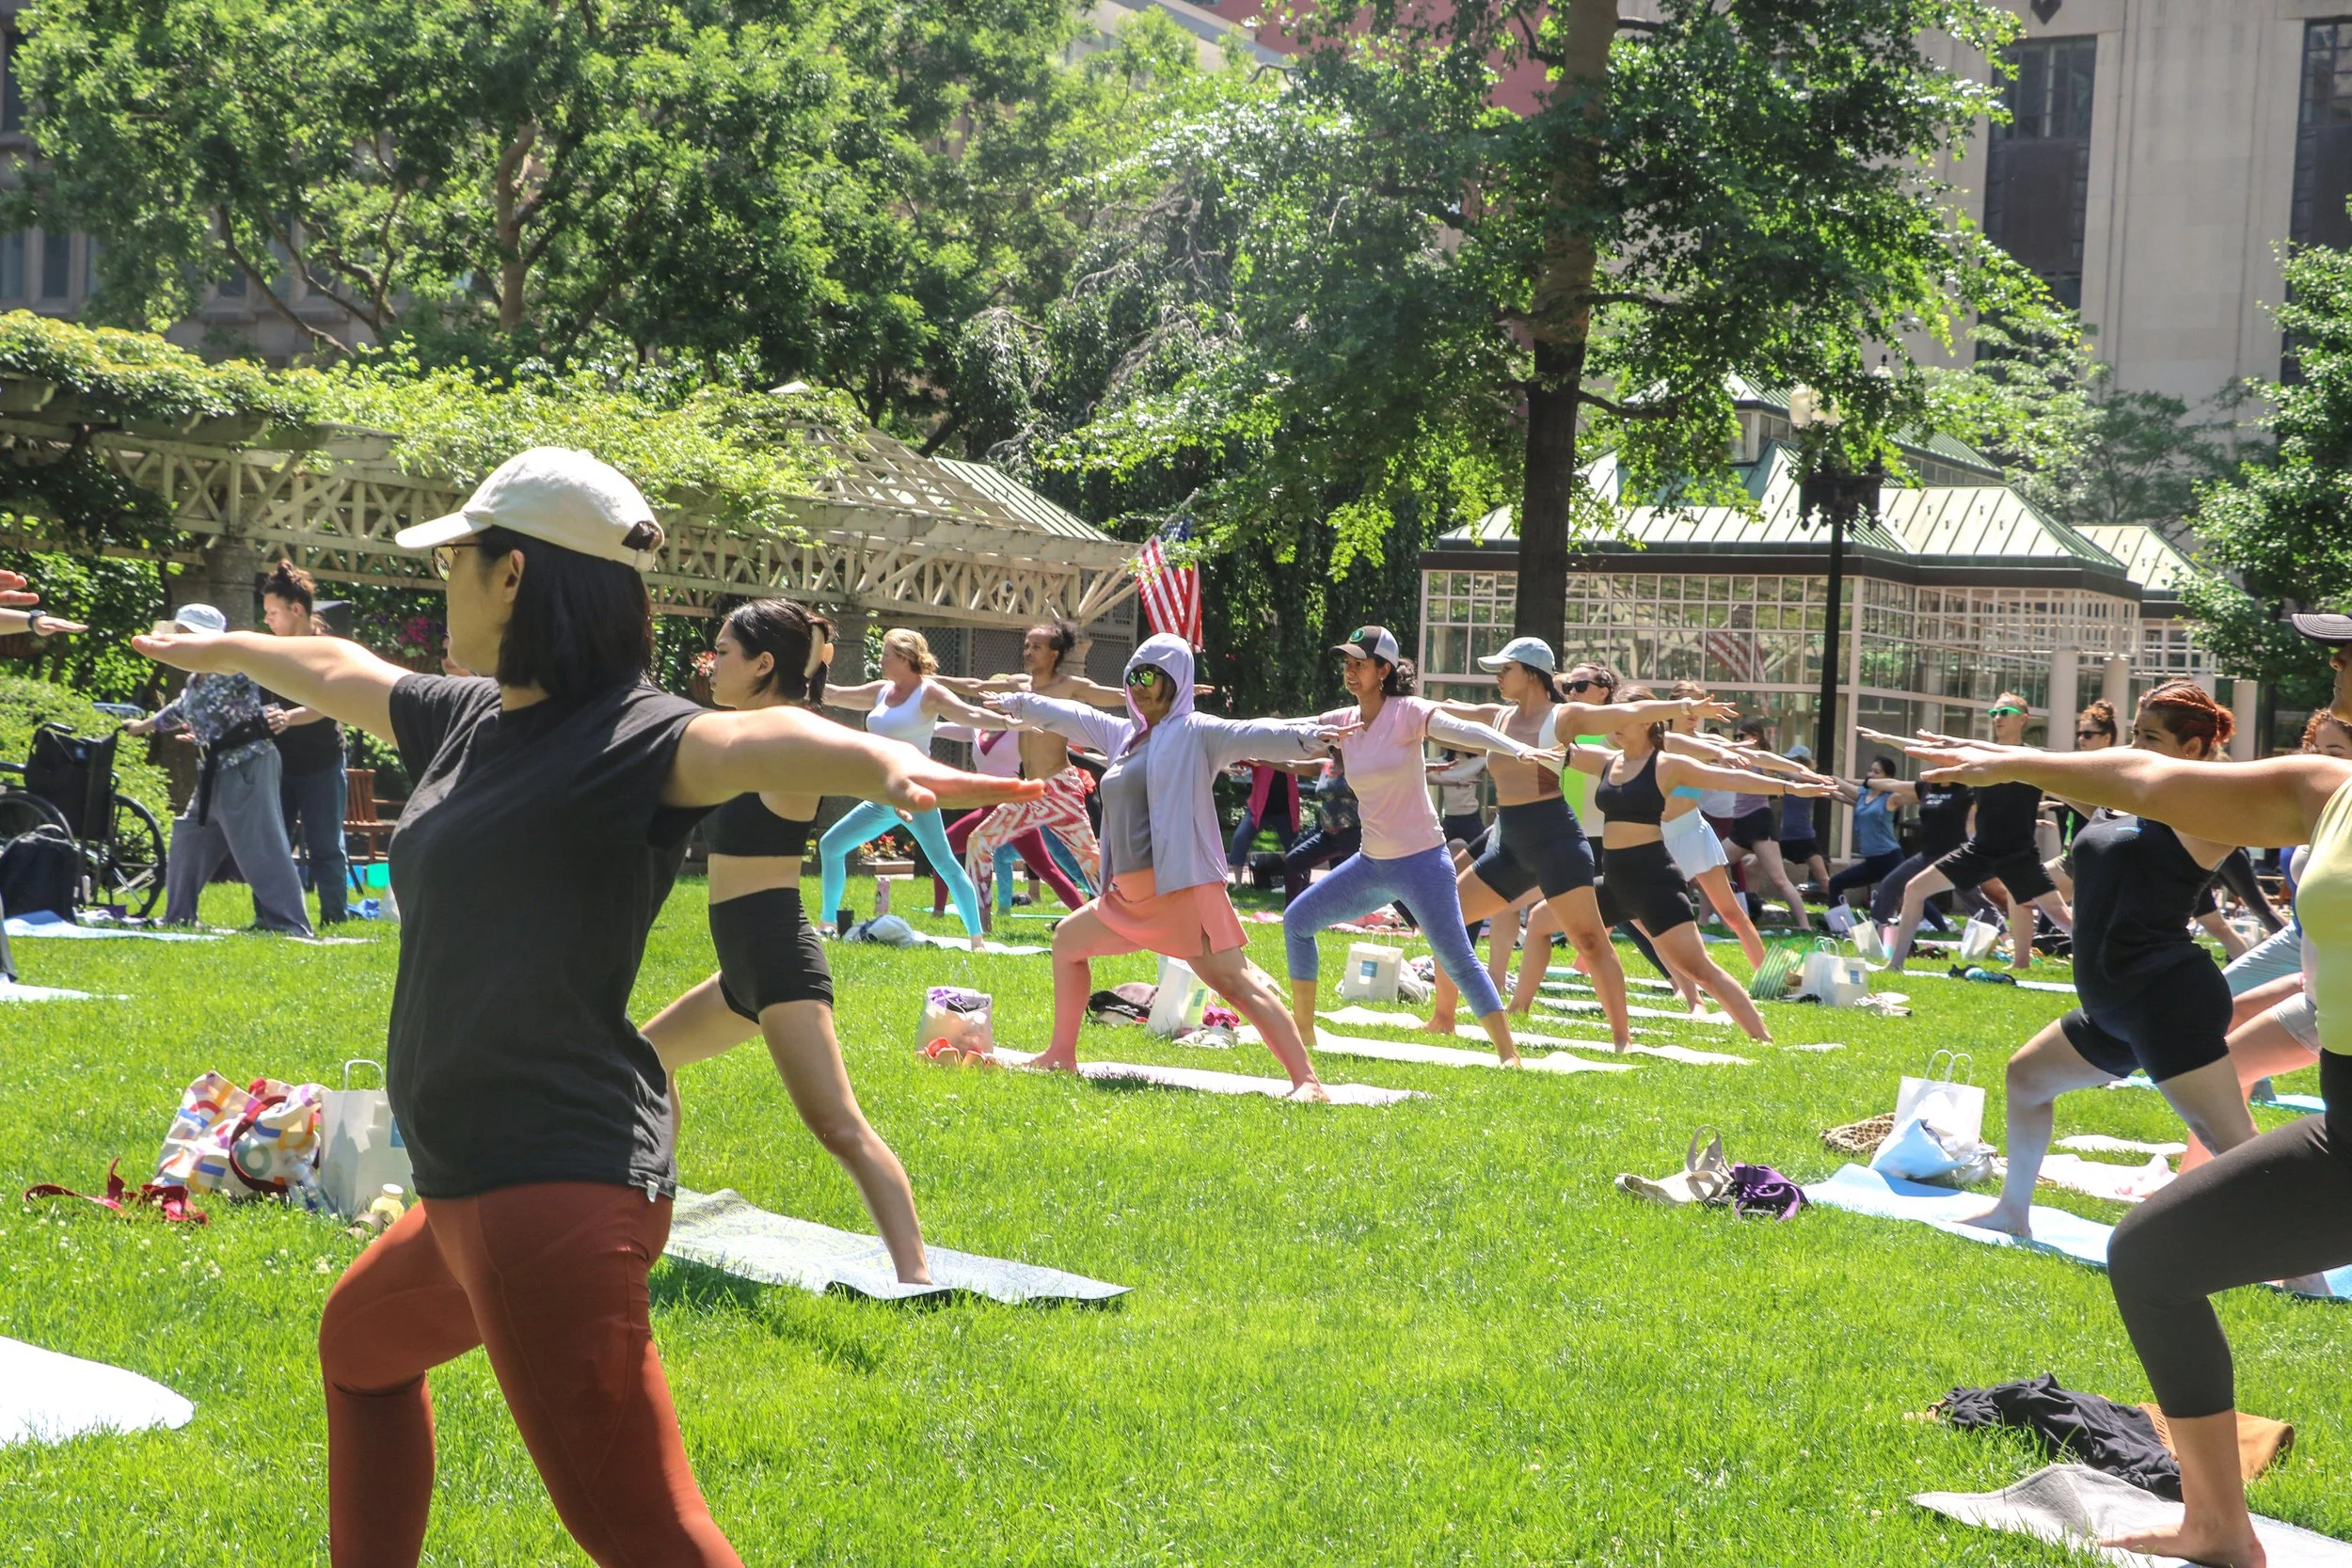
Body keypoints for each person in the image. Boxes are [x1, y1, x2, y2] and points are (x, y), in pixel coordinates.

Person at [130, 448, 1037, 1568]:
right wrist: (217, 646)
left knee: (649, 1536)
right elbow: (337, 664)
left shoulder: (636, 736)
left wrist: (878, 766)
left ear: (515, 576)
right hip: (475, 1180)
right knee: (360, 1349)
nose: (441, 581)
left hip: (546, 1186)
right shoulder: (470, 719)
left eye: (455, 558)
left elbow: (753, 739)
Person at [1899, 698, 2352, 1568]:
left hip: (2164, 997)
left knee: (2185, 1199)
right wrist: (2013, 766)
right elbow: (2148, 777)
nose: (2336, 674)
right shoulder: (2329, 790)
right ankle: (2218, 1525)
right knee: (2150, 1253)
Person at [641, 598, 929, 1284]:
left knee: (838, 1125)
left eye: (725, 652)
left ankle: (917, 1275)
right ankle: (652, 1207)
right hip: (740, 966)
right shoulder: (732, 734)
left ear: (764, 664)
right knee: (645, 1061)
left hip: (777, 961)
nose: (711, 663)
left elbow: (856, 756)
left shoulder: (790, 736)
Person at [1931, 685, 2260, 1242]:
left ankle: (2307, 1275)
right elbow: (2046, 772)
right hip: (2114, 1003)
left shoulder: (2209, 813)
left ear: (2197, 748)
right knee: (2027, 1078)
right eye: (2133, 734)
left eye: (2150, 738)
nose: (2132, 748)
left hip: (2164, 998)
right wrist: (1983, 757)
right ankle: (2012, 1212)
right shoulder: (2120, 799)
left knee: (2230, 1141)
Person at [985, 634, 1351, 1096]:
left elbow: (1259, 732)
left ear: (1174, 681)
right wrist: (1019, 703)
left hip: (1182, 892)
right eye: (1132, 676)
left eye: (1149, 676)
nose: (1137, 686)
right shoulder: (1125, 737)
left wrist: (1311, 736)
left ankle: (1308, 1082)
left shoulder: (1198, 732)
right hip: (1129, 898)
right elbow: (1073, 715)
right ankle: (1061, 1055)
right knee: (1068, 943)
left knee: (1235, 984)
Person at [1424, 641, 1732, 1045]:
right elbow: (1435, 710)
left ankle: (1622, 1038)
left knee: (1590, 940)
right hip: (1512, 845)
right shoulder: (1496, 717)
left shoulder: (1563, 717)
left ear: (1532, 674)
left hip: (1557, 844)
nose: (1497, 676)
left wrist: (1684, 709)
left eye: (1506, 668)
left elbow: (1629, 711)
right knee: (1447, 919)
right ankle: (1443, 1018)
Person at [1281, 626, 1559, 1064]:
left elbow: (1465, 731)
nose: (1350, 672)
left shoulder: (1408, 711)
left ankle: (1509, 1054)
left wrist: (1515, 749)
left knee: (1457, 957)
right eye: (1346, 664)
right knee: (1297, 922)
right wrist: (1211, 733)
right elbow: (1281, 730)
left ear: (1384, 669)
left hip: (1423, 863)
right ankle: (1304, 1035)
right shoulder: (1342, 721)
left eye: (1360, 664)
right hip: (1371, 864)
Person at [1568, 687, 1836, 1042]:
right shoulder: (1610, 758)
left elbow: (1734, 774)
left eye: (1625, 717)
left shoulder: (1673, 758)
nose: (1616, 723)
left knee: (1710, 945)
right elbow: (1552, 749)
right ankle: (1635, 1027)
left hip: (1667, 859)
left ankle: (1762, 1016)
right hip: (1626, 868)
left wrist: (1793, 783)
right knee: (1552, 920)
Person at [816, 627, 1015, 947]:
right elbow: (836, 695)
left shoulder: (928, 693)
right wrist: (806, 674)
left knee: (946, 864)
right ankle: (827, 923)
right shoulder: (882, 690)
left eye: (886, 654)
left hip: (916, 793)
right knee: (831, 845)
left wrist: (1009, 720)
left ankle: (977, 940)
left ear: (907, 658)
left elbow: (969, 714)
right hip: (883, 796)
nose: (880, 659)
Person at [127, 604, 314, 936]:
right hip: (214, 771)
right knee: (188, 837)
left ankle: (290, 924)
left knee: (262, 847)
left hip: (247, 765)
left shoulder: (234, 666)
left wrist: (284, 712)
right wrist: (144, 726)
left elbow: (275, 675)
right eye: (180, 633)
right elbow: (181, 707)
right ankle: (178, 916)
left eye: (187, 635)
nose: (181, 641)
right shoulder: (196, 676)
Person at [947, 618, 1134, 903]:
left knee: (1091, 862)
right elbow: (974, 685)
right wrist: (922, 680)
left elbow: (1121, 696)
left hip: (1060, 788)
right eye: (1026, 645)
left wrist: (1174, 694)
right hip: (1030, 790)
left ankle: (1126, 915)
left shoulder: (1069, 686)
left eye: (1036, 646)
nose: (1028, 651)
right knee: (979, 842)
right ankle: (979, 930)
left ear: (1054, 653)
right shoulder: (1019, 685)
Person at [1883, 693, 2074, 972]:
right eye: (1993, 714)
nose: (1997, 718)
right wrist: (1885, 738)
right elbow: (1932, 750)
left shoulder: (2034, 759)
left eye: (2004, 712)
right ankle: (1895, 965)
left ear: (2023, 719)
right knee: (1914, 889)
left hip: (2018, 855)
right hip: (1980, 850)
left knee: (2060, 916)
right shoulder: (1981, 756)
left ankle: (2106, 967)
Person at [260, 562, 351, 924]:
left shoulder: (327, 650)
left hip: (322, 763)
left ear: (296, 610)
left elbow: (328, 705)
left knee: (327, 847)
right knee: (272, 845)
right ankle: (272, 918)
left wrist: (289, 717)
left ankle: (334, 919)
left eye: (272, 613)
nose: (266, 620)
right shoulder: (268, 650)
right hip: (278, 764)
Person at [1660, 681, 1769, 970]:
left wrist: (1796, 773)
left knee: (1731, 913)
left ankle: (1766, 973)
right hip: (1655, 836)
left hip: (1692, 831)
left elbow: (1754, 756)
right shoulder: (1656, 738)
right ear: (1673, 704)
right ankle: (1582, 968)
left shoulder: (1708, 742)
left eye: (1700, 704)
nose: (1696, 711)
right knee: (1621, 904)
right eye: (1690, 703)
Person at [933, 723, 1091, 920]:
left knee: (1046, 869)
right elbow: (936, 726)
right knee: (940, 851)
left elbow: (1067, 737)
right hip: (986, 811)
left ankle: (1085, 916)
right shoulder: (976, 727)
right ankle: (938, 913)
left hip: (1014, 811)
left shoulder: (1022, 727)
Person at [1721, 717, 1814, 929]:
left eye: (1741, 736)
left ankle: (1805, 926)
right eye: (1735, 737)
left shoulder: (1762, 760)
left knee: (1779, 880)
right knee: (1711, 868)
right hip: (1740, 825)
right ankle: (1709, 920)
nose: (1737, 740)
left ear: (1754, 738)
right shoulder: (1736, 760)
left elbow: (1789, 772)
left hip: (1759, 822)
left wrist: (1811, 779)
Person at [1825, 756, 1906, 911]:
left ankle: (1941, 926)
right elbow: (1849, 796)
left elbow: (1846, 788)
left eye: (1877, 772)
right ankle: (1838, 924)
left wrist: (1836, 780)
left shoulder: (1889, 798)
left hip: (1889, 858)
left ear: (1887, 778)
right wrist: (1831, 793)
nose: (1871, 774)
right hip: (1872, 861)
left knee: (1908, 892)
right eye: (1870, 770)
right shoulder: (1865, 795)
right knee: (1835, 883)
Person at [1226, 759, 1302, 873]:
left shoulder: (1291, 758)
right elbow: (1242, 758)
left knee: (1297, 848)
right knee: (1240, 838)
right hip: (1258, 810)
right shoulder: (1262, 757)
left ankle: (1303, 884)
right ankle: (1238, 884)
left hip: (1285, 813)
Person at [1777, 742, 1831, 892]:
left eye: (1793, 760)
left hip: (1804, 838)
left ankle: (1839, 912)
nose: (1789, 763)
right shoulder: (1786, 782)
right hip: (1784, 838)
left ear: (1802, 763)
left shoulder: (1809, 782)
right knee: (1752, 867)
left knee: (1824, 879)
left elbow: (1803, 779)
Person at [1428, 749, 1487, 847]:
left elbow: (1498, 767)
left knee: (1483, 851)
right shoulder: (1440, 763)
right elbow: (1427, 777)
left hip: (1471, 818)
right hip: (1449, 817)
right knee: (1433, 851)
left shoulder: (1479, 761)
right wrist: (1456, 782)